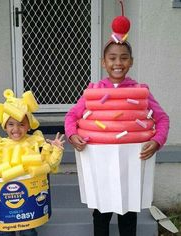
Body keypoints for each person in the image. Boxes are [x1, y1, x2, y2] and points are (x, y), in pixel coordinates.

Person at [64, 40, 170, 236]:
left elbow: (162, 118)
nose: (118, 62)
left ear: (131, 62)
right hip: (100, 162)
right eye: (112, 58)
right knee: (101, 213)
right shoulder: (94, 91)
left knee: (128, 213)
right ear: (103, 62)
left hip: (130, 163)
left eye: (124, 57)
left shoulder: (140, 91)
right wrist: (72, 134)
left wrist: (157, 140)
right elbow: (72, 115)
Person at [0, 93, 65, 236]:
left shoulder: (37, 143)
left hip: (29, 197)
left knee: (28, 231)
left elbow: (50, 164)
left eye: (21, 124)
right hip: (4, 197)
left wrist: (56, 149)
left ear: (28, 125)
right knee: (5, 232)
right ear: (5, 126)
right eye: (11, 124)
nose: (16, 129)